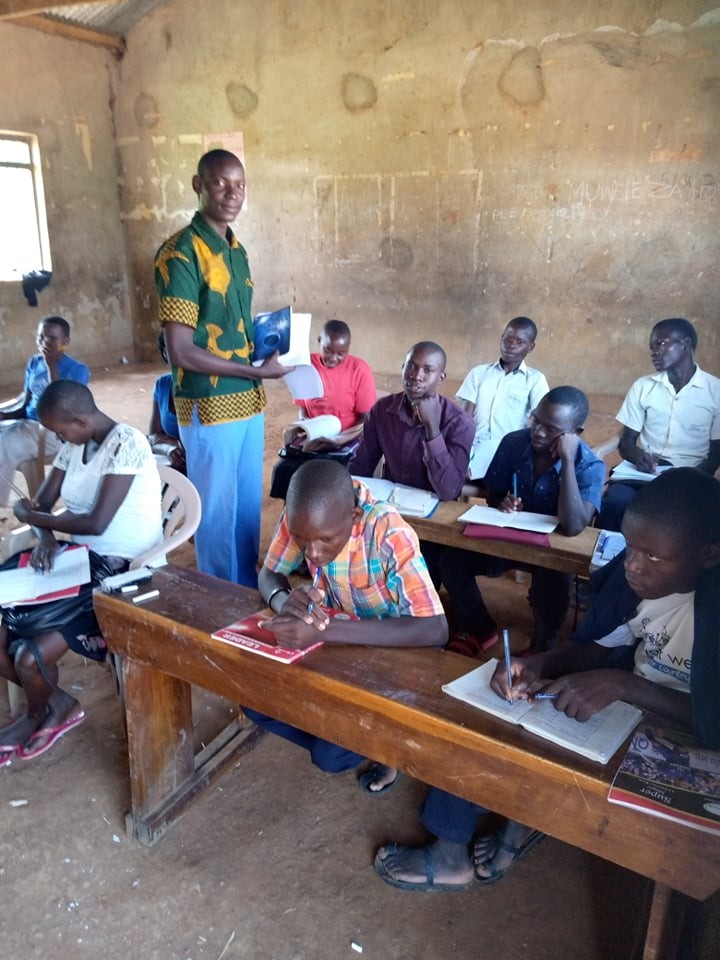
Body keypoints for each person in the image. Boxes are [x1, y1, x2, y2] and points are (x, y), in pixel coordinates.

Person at [374, 468, 720, 892]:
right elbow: (594, 649)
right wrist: (539, 664)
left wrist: (624, 685)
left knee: (552, 754)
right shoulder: (637, 586)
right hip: (627, 706)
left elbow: (712, 721)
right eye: (630, 547)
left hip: (687, 734)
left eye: (652, 556)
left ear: (709, 556)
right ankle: (452, 851)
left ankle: (520, 824)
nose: (632, 565)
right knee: (494, 719)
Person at [245, 459, 447, 793]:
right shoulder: (304, 516)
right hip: (338, 649)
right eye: (302, 539)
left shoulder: (386, 530)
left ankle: (385, 744)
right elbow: (269, 574)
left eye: (326, 539)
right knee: (252, 699)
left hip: (395, 655)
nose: (312, 553)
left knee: (330, 756)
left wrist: (324, 631)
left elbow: (435, 628)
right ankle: (352, 732)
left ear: (353, 517)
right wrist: (285, 603)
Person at [0, 380, 163, 764]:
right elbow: (42, 503)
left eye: (60, 430)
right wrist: (45, 537)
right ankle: (52, 704)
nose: (59, 438)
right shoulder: (74, 446)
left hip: (119, 570)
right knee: (10, 630)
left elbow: (96, 522)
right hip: (77, 561)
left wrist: (34, 517)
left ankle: (40, 712)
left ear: (81, 421)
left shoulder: (128, 443)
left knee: (26, 656)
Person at [154, 148, 290, 587]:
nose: (233, 194)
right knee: (216, 514)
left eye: (240, 185)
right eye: (220, 183)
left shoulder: (236, 250)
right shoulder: (181, 253)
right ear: (198, 185)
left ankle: (245, 595)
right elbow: (181, 350)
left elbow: (231, 325)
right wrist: (254, 372)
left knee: (246, 510)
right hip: (210, 403)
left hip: (247, 401)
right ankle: (217, 602)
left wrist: (267, 346)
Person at [440, 386, 604, 656]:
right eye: (536, 420)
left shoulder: (588, 465)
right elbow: (494, 493)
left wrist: (567, 459)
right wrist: (502, 502)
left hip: (550, 549)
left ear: (575, 433)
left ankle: (542, 647)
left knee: (553, 585)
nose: (538, 432)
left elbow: (574, 526)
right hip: (509, 538)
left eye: (551, 429)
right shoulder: (514, 443)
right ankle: (480, 627)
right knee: (452, 562)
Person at [349, 341, 475, 585]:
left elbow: (449, 490)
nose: (417, 376)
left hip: (432, 520)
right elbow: (361, 465)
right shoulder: (382, 410)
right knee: (366, 574)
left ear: (441, 377)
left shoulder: (460, 422)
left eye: (428, 370)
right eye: (412, 366)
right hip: (389, 513)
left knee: (420, 582)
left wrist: (432, 428)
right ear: (403, 367)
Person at [597, 318, 720, 531]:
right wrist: (638, 457)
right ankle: (605, 552)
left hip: (690, 474)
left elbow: (716, 455)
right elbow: (627, 441)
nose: (654, 352)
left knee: (683, 518)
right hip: (643, 472)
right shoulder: (643, 387)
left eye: (661, 344)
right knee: (615, 502)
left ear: (685, 343)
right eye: (651, 347)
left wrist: (690, 477)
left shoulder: (715, 391)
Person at [269, 319, 376, 499]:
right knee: (285, 470)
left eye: (341, 354)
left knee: (335, 479)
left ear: (349, 348)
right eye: (328, 350)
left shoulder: (359, 370)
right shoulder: (306, 366)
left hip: (347, 438)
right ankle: (292, 511)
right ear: (319, 340)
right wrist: (305, 426)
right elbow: (303, 408)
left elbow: (366, 420)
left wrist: (340, 441)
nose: (333, 358)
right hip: (314, 437)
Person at [0, 316, 89, 506]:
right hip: (28, 425)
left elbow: (62, 408)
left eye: (52, 338)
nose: (44, 342)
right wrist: (6, 415)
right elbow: (25, 402)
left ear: (65, 342)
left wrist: (51, 366)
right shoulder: (34, 362)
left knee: (5, 442)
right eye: (40, 337)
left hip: (53, 431)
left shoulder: (78, 370)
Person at [456, 317, 549, 483]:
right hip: (471, 445)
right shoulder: (479, 373)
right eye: (508, 339)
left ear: (531, 346)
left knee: (492, 482)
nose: (511, 345)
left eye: (519, 341)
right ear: (501, 339)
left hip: (508, 451)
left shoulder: (535, 380)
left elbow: (539, 420)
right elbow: (464, 419)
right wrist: (460, 453)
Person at [147, 332, 185, 473]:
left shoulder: (209, 389)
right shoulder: (162, 385)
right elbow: (153, 437)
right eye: (172, 350)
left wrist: (175, 442)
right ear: (164, 353)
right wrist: (170, 450)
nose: (179, 356)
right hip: (178, 466)